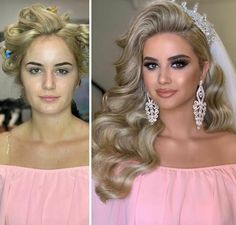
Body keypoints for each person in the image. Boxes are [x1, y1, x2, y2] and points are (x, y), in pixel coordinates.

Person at [92, 1, 236, 224]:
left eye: (177, 64)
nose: (163, 78)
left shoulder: (231, 151)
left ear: (202, 70)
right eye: (151, 65)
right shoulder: (122, 151)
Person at [0, 4, 89, 225]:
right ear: (20, 77)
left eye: (62, 70)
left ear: (78, 76)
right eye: (35, 70)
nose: (48, 84)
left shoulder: (104, 149)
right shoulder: (2, 151)